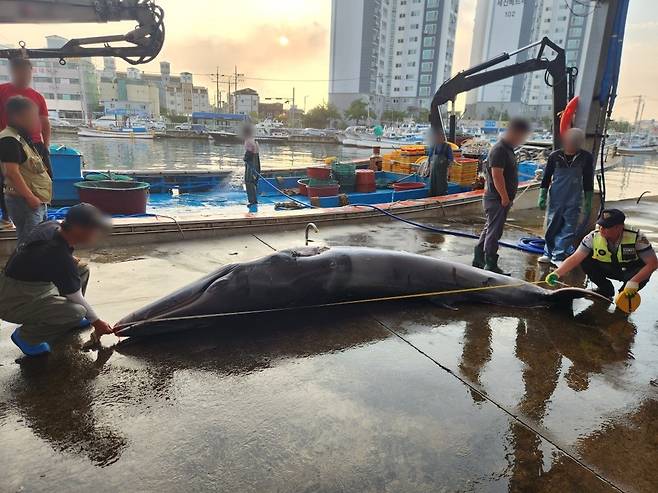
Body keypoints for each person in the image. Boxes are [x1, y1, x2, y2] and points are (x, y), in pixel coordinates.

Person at [0, 203, 114, 356]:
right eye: (93, 229)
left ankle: (64, 317)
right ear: (78, 229)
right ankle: (26, 337)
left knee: (82, 269)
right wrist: (97, 323)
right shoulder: (58, 256)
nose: (96, 234)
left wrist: (68, 257)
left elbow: (37, 250)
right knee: (77, 311)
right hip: (14, 299)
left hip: (26, 282)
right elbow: (76, 296)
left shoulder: (52, 226)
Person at [545, 209, 657, 302]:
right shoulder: (592, 237)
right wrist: (557, 273)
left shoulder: (637, 237)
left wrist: (634, 282)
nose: (602, 229)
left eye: (606, 226)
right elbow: (575, 258)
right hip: (609, 267)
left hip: (631, 271)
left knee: (624, 298)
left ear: (619, 227)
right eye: (601, 225)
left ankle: (624, 293)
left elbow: (653, 263)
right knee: (585, 260)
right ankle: (605, 289)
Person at [473, 117, 531, 274]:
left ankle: (479, 258)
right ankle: (490, 263)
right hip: (497, 199)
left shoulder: (507, 149)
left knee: (489, 229)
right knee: (494, 231)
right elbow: (497, 175)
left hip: (499, 198)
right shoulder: (499, 149)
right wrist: (505, 197)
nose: (522, 140)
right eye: (521, 136)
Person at [538, 128, 594, 266]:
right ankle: (548, 252)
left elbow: (588, 179)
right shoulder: (555, 156)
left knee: (569, 227)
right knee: (552, 224)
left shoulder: (586, 157)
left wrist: (588, 199)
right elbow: (546, 177)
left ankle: (559, 255)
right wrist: (543, 195)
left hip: (574, 197)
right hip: (556, 196)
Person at [0, 96, 52, 244]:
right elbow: (11, 172)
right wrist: (30, 197)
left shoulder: (21, 138)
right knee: (30, 243)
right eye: (32, 117)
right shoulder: (9, 139)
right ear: (17, 117)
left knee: (36, 239)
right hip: (25, 202)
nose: (36, 121)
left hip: (34, 200)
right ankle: (23, 267)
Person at [0, 58, 52, 177]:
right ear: (13, 72)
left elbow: (45, 123)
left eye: (27, 72)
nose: (24, 76)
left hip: (35, 144)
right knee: (11, 178)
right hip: (10, 142)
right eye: (20, 72)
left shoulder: (37, 97)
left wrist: (46, 145)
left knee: (45, 178)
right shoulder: (2, 91)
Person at [428, 130, 454, 196]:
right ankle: (432, 196)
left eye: (440, 137)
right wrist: (428, 168)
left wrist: (450, 170)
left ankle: (442, 197)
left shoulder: (447, 146)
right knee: (433, 183)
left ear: (443, 138)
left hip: (442, 170)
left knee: (442, 184)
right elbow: (430, 157)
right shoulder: (433, 146)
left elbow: (451, 159)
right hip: (433, 170)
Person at [243, 124, 260, 212]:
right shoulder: (254, 140)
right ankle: (254, 200)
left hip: (250, 162)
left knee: (248, 181)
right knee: (253, 182)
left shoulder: (248, 140)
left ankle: (252, 201)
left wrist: (245, 159)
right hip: (256, 161)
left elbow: (249, 152)